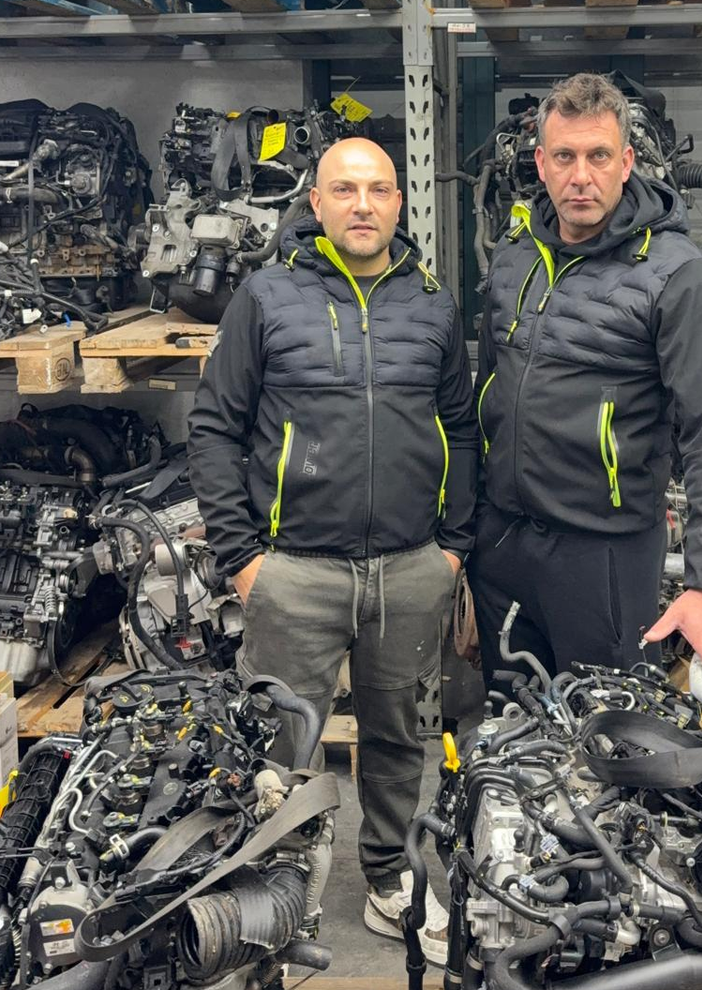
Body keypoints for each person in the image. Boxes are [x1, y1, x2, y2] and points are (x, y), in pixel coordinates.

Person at [187, 137, 478, 964]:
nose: (362, 205)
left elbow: (461, 428)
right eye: (344, 190)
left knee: (400, 739)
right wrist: (244, 559)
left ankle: (390, 877)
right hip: (295, 572)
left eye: (378, 189)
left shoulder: (432, 303)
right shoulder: (266, 296)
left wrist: (453, 548)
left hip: (411, 569)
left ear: (399, 204)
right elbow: (214, 427)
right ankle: (278, 891)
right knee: (281, 745)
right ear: (314, 203)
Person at [469, 73, 702, 693]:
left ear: (625, 163)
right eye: (564, 157)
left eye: (598, 156)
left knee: (606, 736)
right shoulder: (515, 257)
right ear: (541, 164)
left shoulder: (677, 275)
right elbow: (485, 397)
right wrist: (470, 535)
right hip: (504, 547)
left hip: (604, 559)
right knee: (511, 728)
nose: (581, 176)